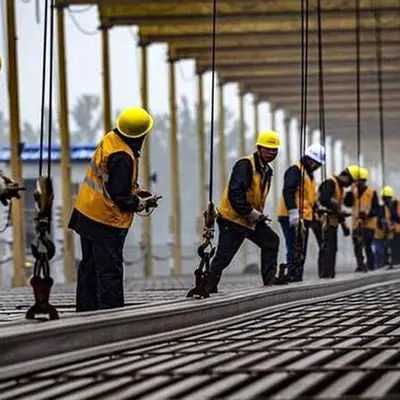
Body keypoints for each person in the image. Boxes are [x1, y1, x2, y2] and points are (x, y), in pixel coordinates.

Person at [69, 107, 159, 312]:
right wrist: (140, 203)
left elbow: (112, 180)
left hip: (87, 212)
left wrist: (136, 191)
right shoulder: (122, 155)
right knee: (109, 268)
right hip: (104, 218)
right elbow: (119, 194)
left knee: (90, 265)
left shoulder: (111, 139)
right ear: (140, 135)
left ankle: (87, 310)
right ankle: (112, 313)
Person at [205, 130, 281, 293]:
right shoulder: (245, 165)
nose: (271, 153)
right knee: (224, 257)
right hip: (232, 219)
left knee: (271, 241)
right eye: (268, 149)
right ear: (259, 148)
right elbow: (235, 194)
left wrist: (255, 215)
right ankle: (207, 286)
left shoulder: (267, 170)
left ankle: (269, 279)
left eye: (274, 150)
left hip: (249, 219)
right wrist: (251, 213)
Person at [278, 143, 325, 282]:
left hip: (304, 218)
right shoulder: (295, 170)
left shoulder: (309, 175)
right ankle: (293, 276)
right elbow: (288, 191)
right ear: (310, 159)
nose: (318, 167)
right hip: (291, 217)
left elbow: (309, 198)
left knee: (301, 249)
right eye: (317, 164)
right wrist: (292, 212)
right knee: (294, 248)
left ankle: (297, 277)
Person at [317, 166, 359, 278]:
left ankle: (330, 273)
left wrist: (343, 223)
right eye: (350, 181)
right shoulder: (330, 182)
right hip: (325, 221)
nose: (349, 185)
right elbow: (324, 199)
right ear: (345, 176)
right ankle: (325, 273)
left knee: (332, 248)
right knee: (327, 247)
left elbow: (336, 209)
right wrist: (335, 207)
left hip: (333, 221)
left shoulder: (339, 187)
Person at [343, 167, 379, 272]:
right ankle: (360, 264)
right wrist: (350, 192)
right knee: (357, 245)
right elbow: (347, 203)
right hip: (356, 223)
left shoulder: (372, 192)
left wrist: (368, 214)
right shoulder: (353, 191)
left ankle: (371, 264)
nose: (358, 183)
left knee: (367, 245)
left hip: (368, 224)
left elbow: (376, 208)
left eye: (361, 181)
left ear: (364, 181)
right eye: (357, 180)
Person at [374, 186, 400, 269]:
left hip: (386, 234)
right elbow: (379, 221)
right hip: (379, 234)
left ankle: (385, 264)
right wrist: (386, 225)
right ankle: (379, 265)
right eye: (386, 198)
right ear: (383, 198)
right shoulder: (380, 208)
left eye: (389, 198)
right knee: (379, 251)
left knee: (385, 250)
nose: (388, 200)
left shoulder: (390, 209)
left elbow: (397, 218)